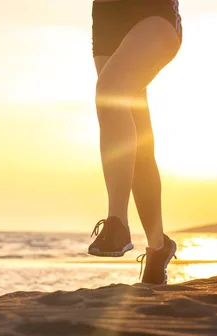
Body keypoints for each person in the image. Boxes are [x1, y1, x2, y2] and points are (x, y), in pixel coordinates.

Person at [87, 0, 182, 285]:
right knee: (135, 137)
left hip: (154, 15)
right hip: (108, 18)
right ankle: (157, 247)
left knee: (109, 93)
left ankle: (117, 223)